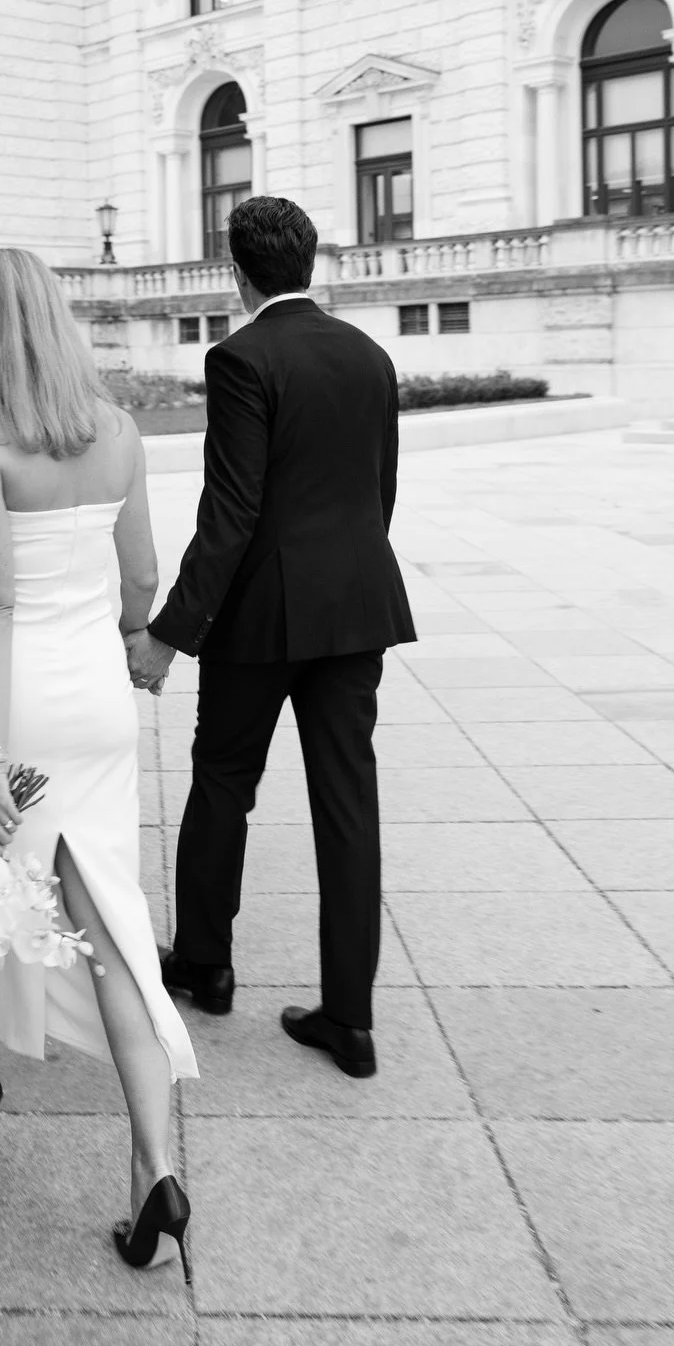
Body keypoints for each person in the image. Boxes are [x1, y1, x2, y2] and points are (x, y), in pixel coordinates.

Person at [0, 247, 198, 1279]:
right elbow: (141, 582)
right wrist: (129, 635)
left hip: (13, 705)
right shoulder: (123, 433)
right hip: (96, 702)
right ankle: (154, 1169)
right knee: (110, 921)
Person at [127, 196, 415, 1079]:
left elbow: (232, 511)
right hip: (357, 610)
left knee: (222, 782)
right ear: (311, 262)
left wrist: (170, 633)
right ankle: (350, 1020)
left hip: (262, 619)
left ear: (237, 272)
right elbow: (381, 490)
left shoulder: (240, 356)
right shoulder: (370, 353)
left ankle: (207, 965)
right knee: (347, 804)